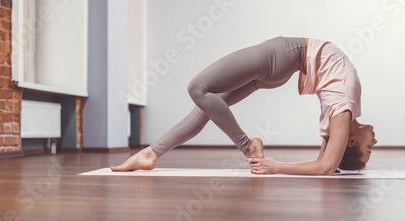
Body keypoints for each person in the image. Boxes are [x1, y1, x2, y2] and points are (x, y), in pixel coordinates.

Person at [111, 37, 378, 175]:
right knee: (207, 107)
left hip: (283, 56)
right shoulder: (344, 113)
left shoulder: (343, 108)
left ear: (350, 142)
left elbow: (326, 167)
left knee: (198, 88)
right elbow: (324, 161)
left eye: (368, 148)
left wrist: (278, 166)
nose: (375, 142)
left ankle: (248, 146)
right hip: (284, 66)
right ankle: (151, 154)